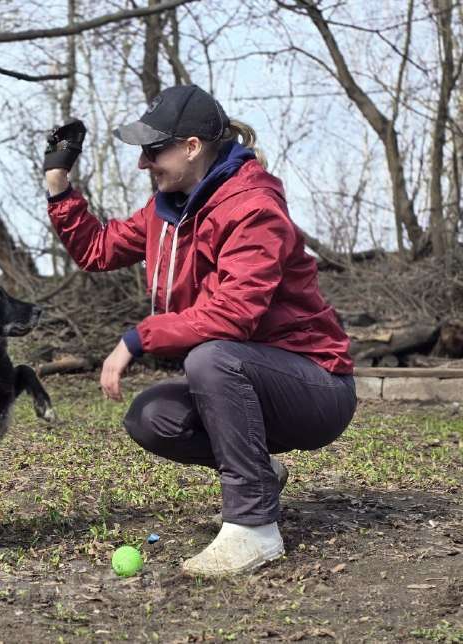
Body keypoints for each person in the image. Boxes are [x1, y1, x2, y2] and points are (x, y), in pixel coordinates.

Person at [42, 85, 357, 577]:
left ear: (191, 147)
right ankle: (259, 474)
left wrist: (138, 338)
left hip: (317, 386)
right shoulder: (168, 211)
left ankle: (254, 527)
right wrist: (59, 184)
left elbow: (235, 314)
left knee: (211, 357)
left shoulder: (252, 207)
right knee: (152, 416)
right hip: (247, 379)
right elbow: (97, 250)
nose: (143, 163)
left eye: (153, 150)